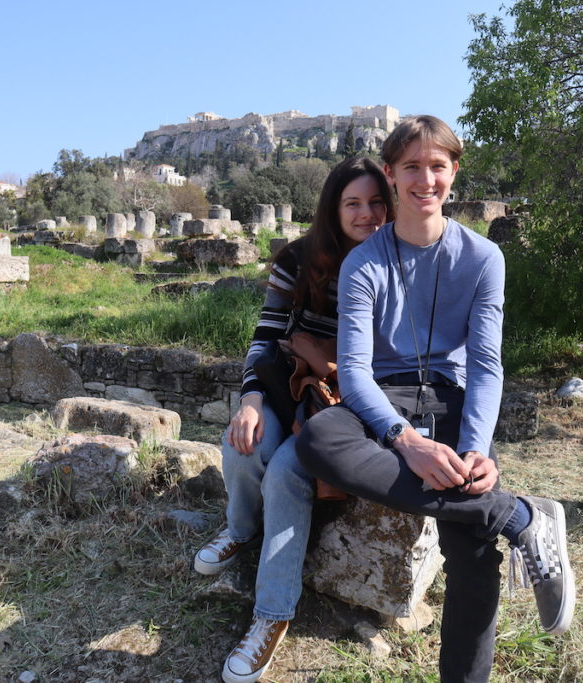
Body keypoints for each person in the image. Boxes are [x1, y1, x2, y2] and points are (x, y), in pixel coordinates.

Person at [296, 115, 575, 682]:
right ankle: (518, 515)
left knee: (473, 553)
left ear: (454, 172)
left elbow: (486, 364)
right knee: (320, 437)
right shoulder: (364, 262)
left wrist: (474, 447)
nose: (425, 180)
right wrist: (407, 442)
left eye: (437, 166)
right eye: (411, 167)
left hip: (451, 398)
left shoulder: (483, 258)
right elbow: (354, 373)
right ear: (392, 175)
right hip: (384, 399)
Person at [193, 157, 395, 683]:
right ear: (333, 207)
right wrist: (251, 399)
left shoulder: (396, 261)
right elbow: (266, 337)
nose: (367, 213)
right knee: (244, 443)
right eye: (353, 202)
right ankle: (241, 530)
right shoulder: (299, 260)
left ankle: (272, 615)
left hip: (353, 401)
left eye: (376, 202)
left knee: (287, 470)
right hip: (293, 385)